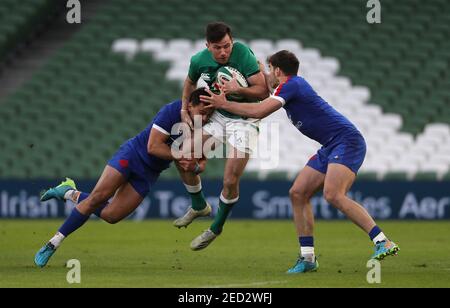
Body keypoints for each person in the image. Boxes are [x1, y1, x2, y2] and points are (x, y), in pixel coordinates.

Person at [200, 50, 399, 273]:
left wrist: (223, 103)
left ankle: (383, 241)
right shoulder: (289, 86)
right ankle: (307, 258)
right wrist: (251, 77)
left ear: (277, 70)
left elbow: (259, 109)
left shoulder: (293, 85)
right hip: (330, 146)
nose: (267, 73)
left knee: (333, 194)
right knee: (298, 193)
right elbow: (265, 90)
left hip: (347, 141)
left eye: (269, 69)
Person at [34, 88, 213, 268]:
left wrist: (195, 166)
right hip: (132, 156)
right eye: (202, 112)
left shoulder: (204, 127)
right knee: (98, 198)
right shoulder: (172, 111)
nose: (205, 118)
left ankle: (68, 192)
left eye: (209, 114)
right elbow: (153, 147)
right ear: (189, 105)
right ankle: (52, 243)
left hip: (149, 173)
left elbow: (202, 162)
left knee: (112, 216)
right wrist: (181, 155)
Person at [175, 21, 270, 250]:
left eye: (227, 46)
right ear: (207, 45)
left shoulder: (243, 54)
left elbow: (263, 91)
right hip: (219, 116)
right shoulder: (198, 60)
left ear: (232, 41)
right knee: (182, 155)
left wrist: (237, 90)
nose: (223, 52)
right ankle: (199, 205)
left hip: (246, 119)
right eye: (217, 47)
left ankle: (215, 228)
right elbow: (189, 82)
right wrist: (183, 108)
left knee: (229, 180)